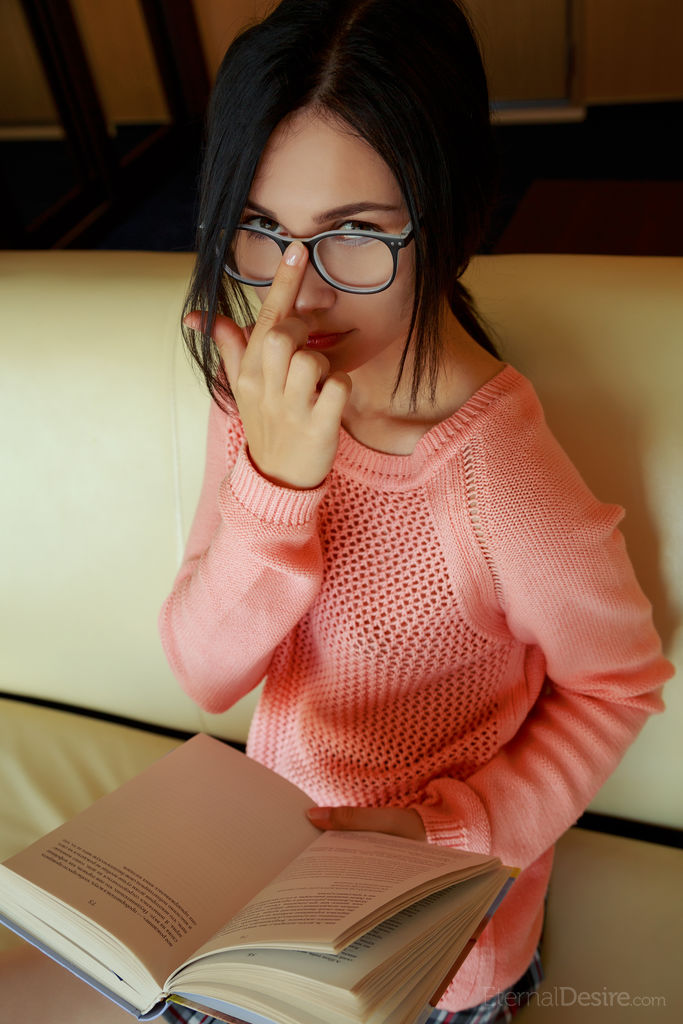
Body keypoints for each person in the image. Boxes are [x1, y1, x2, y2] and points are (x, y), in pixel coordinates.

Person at [0, 2, 670, 1023]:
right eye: (261, 229)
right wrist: (274, 483)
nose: (295, 296)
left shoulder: (498, 477)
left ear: (452, 214)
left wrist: (447, 832)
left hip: (433, 938)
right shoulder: (262, 391)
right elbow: (206, 672)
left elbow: (616, 687)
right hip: (261, 881)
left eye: (353, 233)